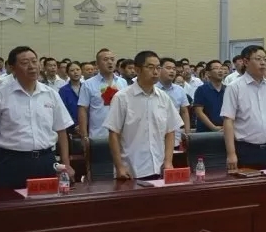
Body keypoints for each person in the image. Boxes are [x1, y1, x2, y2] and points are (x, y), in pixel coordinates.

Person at [0, 46, 74, 191]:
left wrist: (66, 164)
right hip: (12, 162)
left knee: (45, 203)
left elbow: (61, 131)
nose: (32, 67)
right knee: (10, 203)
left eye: (34, 61)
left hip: (46, 161)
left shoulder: (51, 94)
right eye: (25, 63)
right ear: (12, 68)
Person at [104, 51, 183, 180]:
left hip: (159, 168)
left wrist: (168, 161)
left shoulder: (163, 97)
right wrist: (119, 166)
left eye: (158, 67)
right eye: (150, 67)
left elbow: (170, 131)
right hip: (131, 171)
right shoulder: (122, 98)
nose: (155, 72)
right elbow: (113, 134)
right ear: (137, 70)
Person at [221, 45, 266, 171]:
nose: (263, 63)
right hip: (246, 150)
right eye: (258, 59)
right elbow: (228, 121)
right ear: (246, 62)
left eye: (265, 59)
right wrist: (231, 154)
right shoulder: (234, 87)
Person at [78, 49, 129, 147]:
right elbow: (82, 109)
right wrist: (84, 135)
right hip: (98, 136)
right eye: (105, 59)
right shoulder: (88, 84)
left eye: (112, 59)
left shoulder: (123, 82)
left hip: (121, 135)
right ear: (97, 64)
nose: (110, 62)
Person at [156, 58, 191, 146]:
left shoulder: (180, 90)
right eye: (168, 68)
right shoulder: (152, 88)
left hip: (175, 134)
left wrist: (187, 132)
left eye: (174, 69)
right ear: (159, 69)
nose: (172, 71)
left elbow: (184, 112)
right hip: (156, 134)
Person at [193, 60, 226, 132]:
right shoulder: (201, 90)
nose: (220, 71)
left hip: (225, 130)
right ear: (208, 73)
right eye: (216, 68)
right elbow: (199, 112)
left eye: (221, 68)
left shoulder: (228, 89)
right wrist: (213, 128)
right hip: (205, 133)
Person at [58, 62, 83, 132]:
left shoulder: (86, 88)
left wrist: (83, 124)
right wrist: (74, 125)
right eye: (72, 70)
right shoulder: (63, 90)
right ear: (67, 73)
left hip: (88, 126)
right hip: (70, 127)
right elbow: (63, 110)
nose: (75, 72)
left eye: (78, 69)